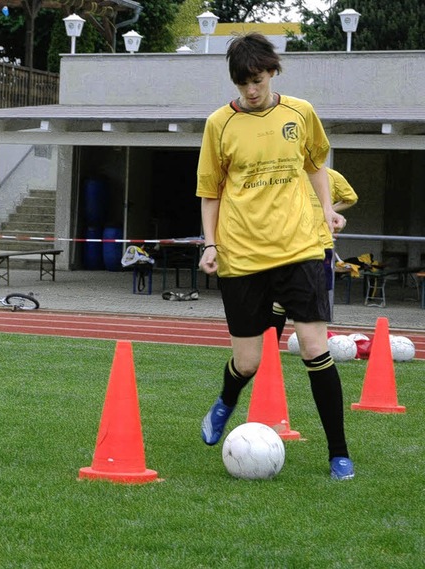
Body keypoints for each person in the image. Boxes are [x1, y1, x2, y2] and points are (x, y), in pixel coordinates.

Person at [196, 32, 354, 480]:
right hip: (241, 255)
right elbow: (210, 193)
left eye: (259, 79)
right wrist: (210, 244)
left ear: (272, 73)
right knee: (248, 361)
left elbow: (316, 165)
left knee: (315, 348)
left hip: (299, 248)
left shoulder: (300, 113)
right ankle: (227, 398)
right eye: (244, 82)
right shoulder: (218, 125)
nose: (251, 90)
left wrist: (325, 212)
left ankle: (338, 453)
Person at [271, 168, 359, 341]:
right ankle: (271, 345)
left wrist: (329, 209)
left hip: (320, 246)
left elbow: (351, 198)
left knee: (314, 297)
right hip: (291, 245)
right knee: (280, 297)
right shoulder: (289, 173)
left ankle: (313, 345)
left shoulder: (331, 175)